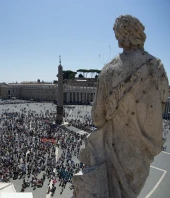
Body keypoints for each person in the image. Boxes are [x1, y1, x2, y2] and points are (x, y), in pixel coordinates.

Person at [73, 15, 169, 197]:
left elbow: (98, 118)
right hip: (143, 154)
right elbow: (160, 112)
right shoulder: (159, 68)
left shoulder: (109, 71)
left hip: (115, 151)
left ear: (121, 36)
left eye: (117, 36)